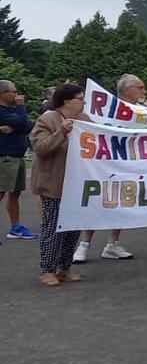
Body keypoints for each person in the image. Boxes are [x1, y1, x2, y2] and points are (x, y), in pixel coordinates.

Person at [30, 83, 91, 286]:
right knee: (52, 226)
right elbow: (40, 147)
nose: (84, 102)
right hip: (54, 182)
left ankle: (65, 267)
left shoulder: (84, 120)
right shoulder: (48, 119)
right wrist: (60, 133)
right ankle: (47, 269)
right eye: (80, 98)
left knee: (74, 227)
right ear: (67, 101)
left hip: (77, 181)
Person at [0, 79, 35, 242]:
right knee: (1, 192)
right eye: (13, 92)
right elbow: (22, 122)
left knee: (15, 193)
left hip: (17, 155)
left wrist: (14, 127)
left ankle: (15, 227)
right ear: (3, 94)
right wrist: (21, 109)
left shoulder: (12, 110)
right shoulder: (2, 110)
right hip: (5, 156)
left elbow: (28, 126)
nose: (17, 95)